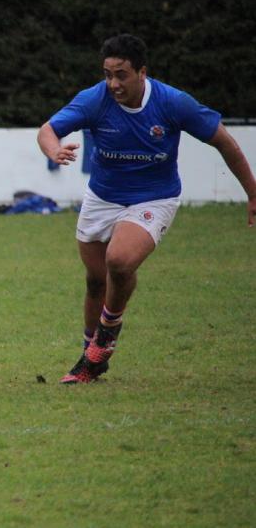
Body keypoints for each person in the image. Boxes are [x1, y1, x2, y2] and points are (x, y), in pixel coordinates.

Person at [38, 34, 256, 384]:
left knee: (120, 261)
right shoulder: (95, 99)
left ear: (142, 72)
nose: (113, 83)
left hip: (154, 197)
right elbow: (48, 129)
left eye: (121, 74)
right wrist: (52, 150)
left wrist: (252, 191)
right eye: (107, 74)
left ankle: (103, 342)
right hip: (102, 198)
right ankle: (89, 357)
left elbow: (223, 141)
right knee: (96, 281)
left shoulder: (172, 103)